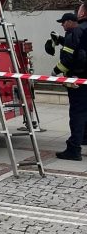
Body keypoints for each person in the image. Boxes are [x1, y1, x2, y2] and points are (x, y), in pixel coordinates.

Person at [49, 12, 87, 161]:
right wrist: (61, 40)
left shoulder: (76, 32)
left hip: (78, 81)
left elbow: (69, 58)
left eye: (64, 22)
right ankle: (84, 138)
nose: (62, 24)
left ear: (72, 21)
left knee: (77, 114)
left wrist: (55, 71)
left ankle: (73, 150)